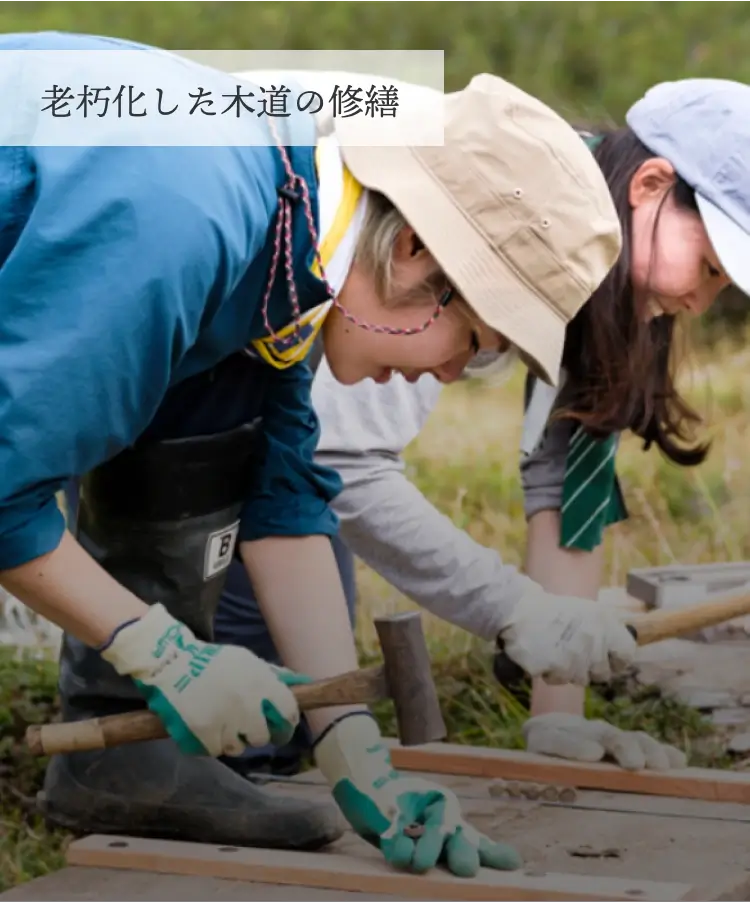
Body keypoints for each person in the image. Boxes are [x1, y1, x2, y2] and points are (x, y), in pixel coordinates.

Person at [0, 31, 630, 878]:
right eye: (473, 342)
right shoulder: (185, 215)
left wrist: (354, 755)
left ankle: (126, 765)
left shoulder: (293, 251)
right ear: (414, 251)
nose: (449, 371)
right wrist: (161, 651)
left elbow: (284, 503)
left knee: (226, 409)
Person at [208, 75, 750, 777]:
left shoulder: (603, 275)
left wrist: (558, 716)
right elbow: (346, 463)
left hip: (272, 417)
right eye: (707, 266)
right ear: (648, 186)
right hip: (212, 314)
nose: (700, 301)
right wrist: (514, 610)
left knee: (299, 620)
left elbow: (568, 491)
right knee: (256, 683)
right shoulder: (502, 216)